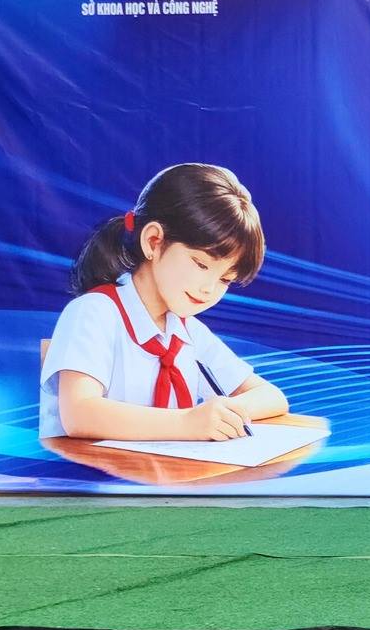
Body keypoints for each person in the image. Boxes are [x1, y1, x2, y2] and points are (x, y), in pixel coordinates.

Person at [41, 163, 284, 442]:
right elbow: (79, 414)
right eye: (201, 264)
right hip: (86, 469)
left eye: (225, 279)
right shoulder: (93, 312)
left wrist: (222, 414)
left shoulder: (187, 331)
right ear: (153, 241)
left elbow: (272, 396)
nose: (208, 289)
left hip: (165, 468)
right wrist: (188, 423)